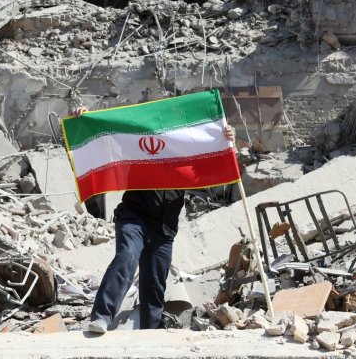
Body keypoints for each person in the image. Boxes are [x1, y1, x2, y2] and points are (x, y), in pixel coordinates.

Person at [68, 106, 235, 333]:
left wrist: (225, 141)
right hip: (134, 217)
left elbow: (217, 167)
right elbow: (110, 135)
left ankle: (151, 332)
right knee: (127, 256)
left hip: (164, 229)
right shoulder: (139, 146)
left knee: (155, 284)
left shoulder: (186, 154)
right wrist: (88, 117)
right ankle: (102, 317)